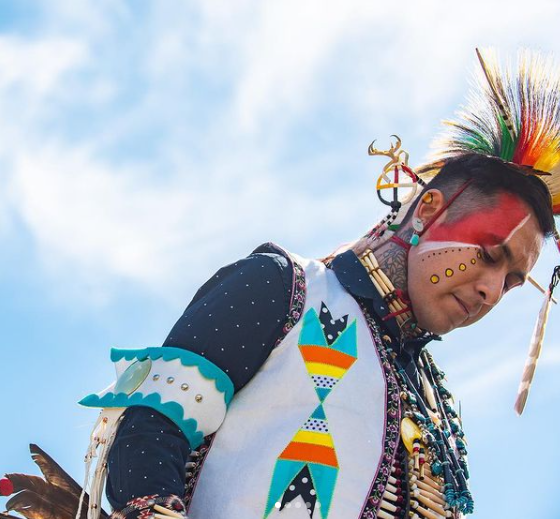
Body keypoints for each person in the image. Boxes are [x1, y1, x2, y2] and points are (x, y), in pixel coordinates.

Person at [1, 49, 559, 519]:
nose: (490, 291)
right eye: (488, 255)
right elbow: (149, 429)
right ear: (428, 210)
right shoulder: (285, 289)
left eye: (512, 282)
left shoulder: (438, 408)